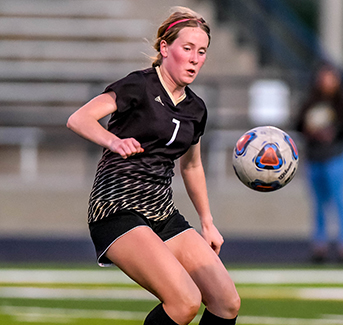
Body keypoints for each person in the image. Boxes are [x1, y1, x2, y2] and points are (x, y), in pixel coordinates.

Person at [67, 7, 240, 325]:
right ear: (165, 48)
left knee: (226, 302)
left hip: (161, 214)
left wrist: (207, 221)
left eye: (201, 52)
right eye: (187, 48)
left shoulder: (196, 109)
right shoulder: (139, 86)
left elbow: (191, 166)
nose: (194, 58)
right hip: (117, 209)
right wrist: (113, 141)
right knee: (184, 301)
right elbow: (78, 119)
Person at [295, 63, 343, 263]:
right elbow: (298, 125)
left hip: (337, 157)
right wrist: (311, 132)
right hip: (315, 157)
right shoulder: (310, 102)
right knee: (318, 204)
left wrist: (335, 134)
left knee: (340, 201)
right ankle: (319, 246)